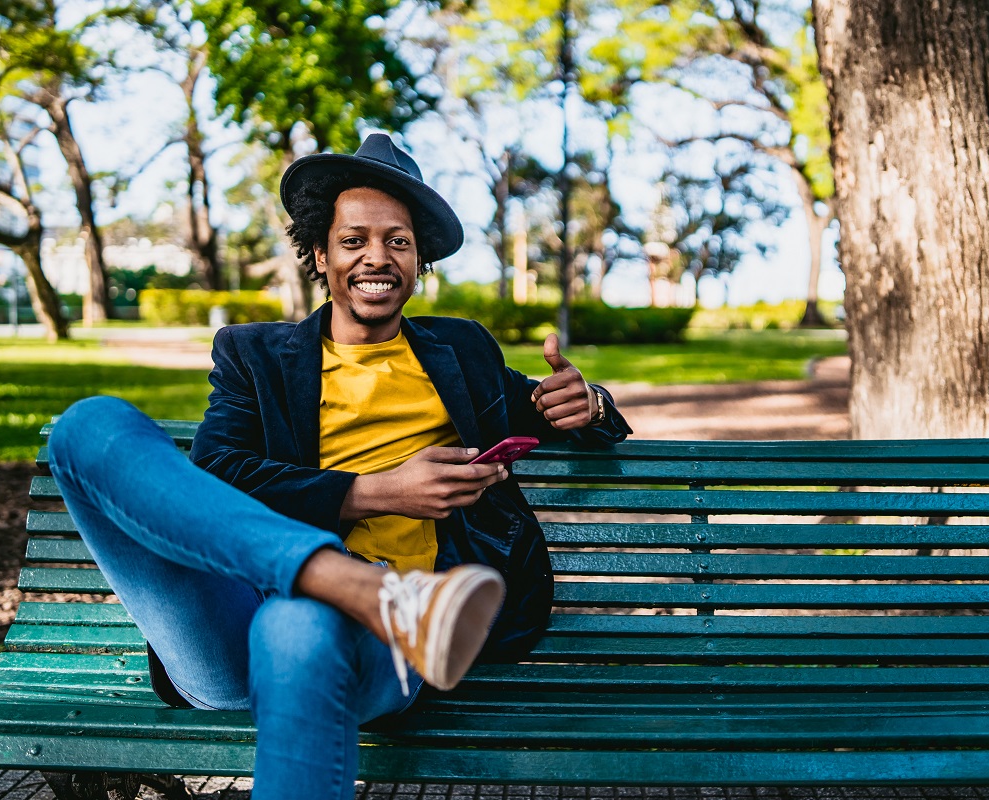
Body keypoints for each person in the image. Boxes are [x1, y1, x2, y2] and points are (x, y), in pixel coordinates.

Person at [46, 133, 631, 800]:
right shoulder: (255, 357)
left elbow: (552, 406)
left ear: (420, 261)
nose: (376, 257)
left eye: (398, 241)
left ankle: (361, 597)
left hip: (372, 646)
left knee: (302, 622)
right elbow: (218, 475)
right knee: (88, 424)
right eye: (354, 240)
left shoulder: (461, 353)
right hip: (229, 620)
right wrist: (377, 492)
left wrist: (590, 404)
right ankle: (350, 584)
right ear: (321, 255)